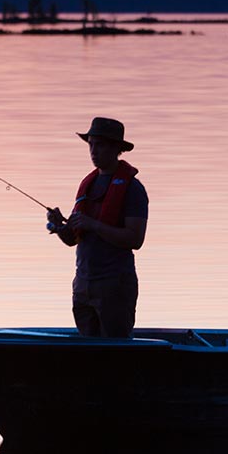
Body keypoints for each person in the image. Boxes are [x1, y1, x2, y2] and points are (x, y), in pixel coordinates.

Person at [48, 117, 149, 338]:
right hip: (83, 286)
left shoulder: (133, 189)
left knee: (114, 355)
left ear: (116, 148)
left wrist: (92, 224)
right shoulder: (89, 184)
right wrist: (60, 227)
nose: (93, 150)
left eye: (100, 145)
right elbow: (73, 239)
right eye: (91, 144)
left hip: (115, 285)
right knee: (88, 354)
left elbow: (135, 239)